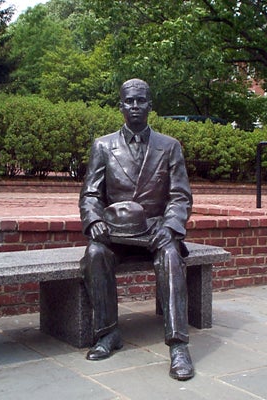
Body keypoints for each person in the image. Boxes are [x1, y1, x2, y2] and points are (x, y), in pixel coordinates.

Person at [79, 78, 194, 380]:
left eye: (140, 100)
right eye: (129, 101)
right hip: (115, 232)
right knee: (94, 254)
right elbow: (91, 194)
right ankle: (107, 333)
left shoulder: (169, 147)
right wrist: (94, 221)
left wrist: (170, 227)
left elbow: (180, 195)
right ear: (121, 106)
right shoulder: (103, 146)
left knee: (171, 256)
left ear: (149, 105)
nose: (134, 106)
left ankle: (179, 345)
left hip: (154, 231)